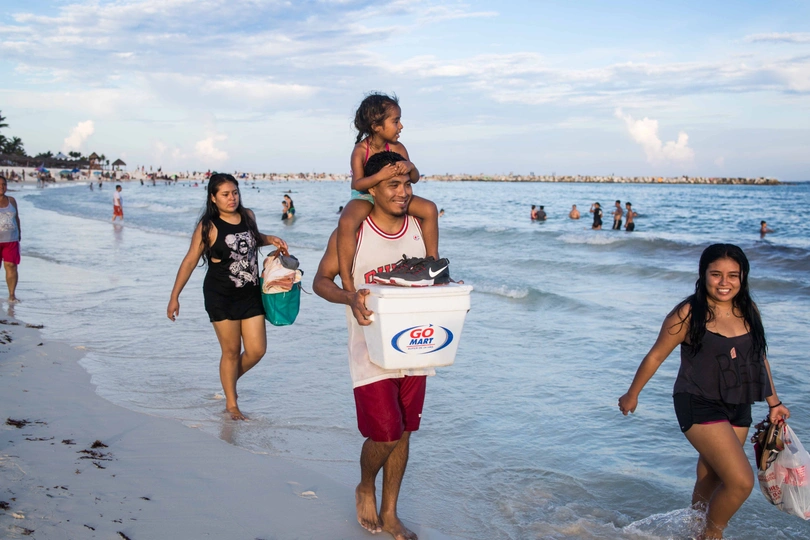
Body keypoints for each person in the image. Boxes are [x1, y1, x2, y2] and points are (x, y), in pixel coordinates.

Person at [618, 244, 789, 540]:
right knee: (740, 482)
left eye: (733, 275)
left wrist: (774, 403)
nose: (724, 282)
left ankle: (694, 526)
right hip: (697, 401)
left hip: (739, 403)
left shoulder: (749, 310)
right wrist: (632, 394)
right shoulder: (688, 313)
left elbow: (758, 358)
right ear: (703, 274)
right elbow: (656, 355)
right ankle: (710, 534)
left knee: (713, 475)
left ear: (743, 276)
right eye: (716, 274)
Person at [314, 151, 434, 540]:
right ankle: (365, 484)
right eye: (392, 185)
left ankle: (391, 513)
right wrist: (349, 298)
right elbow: (321, 281)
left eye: (406, 184)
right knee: (386, 433)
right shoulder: (354, 232)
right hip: (369, 351)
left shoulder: (418, 226)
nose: (403, 192)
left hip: (416, 346)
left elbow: (434, 276)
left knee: (405, 431)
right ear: (373, 190)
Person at [167, 173, 287, 421]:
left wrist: (270, 239)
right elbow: (190, 260)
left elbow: (253, 239)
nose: (232, 198)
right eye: (225, 194)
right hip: (220, 295)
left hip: (250, 294)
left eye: (234, 192)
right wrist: (174, 296)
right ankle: (232, 404)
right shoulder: (208, 226)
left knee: (257, 350)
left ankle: (228, 380)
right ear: (213, 198)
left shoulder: (248, 216)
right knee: (231, 351)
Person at [337, 93, 439, 293]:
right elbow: (357, 184)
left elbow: (414, 178)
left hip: (393, 197)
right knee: (347, 222)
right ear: (376, 126)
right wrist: (380, 176)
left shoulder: (398, 148)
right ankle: (346, 278)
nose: (401, 126)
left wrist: (410, 166)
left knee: (430, 209)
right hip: (365, 196)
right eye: (396, 121)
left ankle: (432, 263)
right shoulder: (360, 150)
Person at [0, 176, 21, 303]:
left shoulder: (12, 200)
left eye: (4, 184)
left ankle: (12, 295)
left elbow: (16, 217)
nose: (2, 187)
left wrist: (19, 232)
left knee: (11, 266)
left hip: (11, 240)